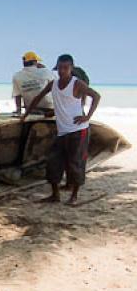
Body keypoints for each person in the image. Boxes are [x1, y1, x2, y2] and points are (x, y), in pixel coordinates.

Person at [24, 54, 100, 206]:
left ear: (71, 69)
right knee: (53, 162)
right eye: (59, 68)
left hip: (78, 130)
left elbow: (96, 96)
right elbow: (39, 97)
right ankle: (55, 195)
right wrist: (26, 114)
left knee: (75, 163)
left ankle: (74, 196)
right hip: (62, 131)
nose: (62, 71)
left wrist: (87, 117)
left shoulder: (77, 83)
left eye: (65, 68)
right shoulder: (53, 84)